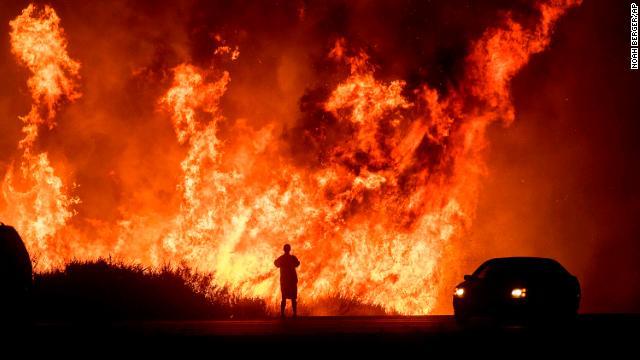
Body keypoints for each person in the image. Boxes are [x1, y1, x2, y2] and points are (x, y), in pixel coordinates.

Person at [274, 244, 300, 318]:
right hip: (292, 281)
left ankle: (282, 314)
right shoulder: (292, 258)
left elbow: (276, 263)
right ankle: (294, 314)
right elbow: (297, 263)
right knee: (293, 298)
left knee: (284, 298)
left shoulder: (282, 258)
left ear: (284, 249)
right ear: (289, 249)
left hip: (285, 281)